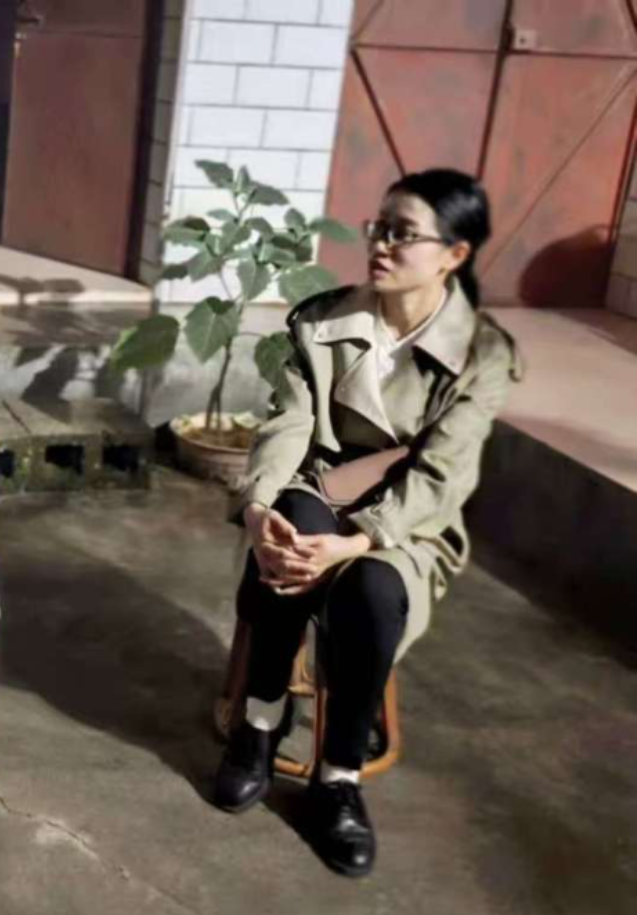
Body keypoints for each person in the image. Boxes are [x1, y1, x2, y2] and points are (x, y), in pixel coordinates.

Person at [212, 170, 521, 877]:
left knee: (372, 591)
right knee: (286, 535)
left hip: (408, 522)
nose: (381, 245)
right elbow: (289, 424)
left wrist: (355, 542)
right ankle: (259, 726)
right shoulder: (323, 321)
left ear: (454, 255)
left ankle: (338, 778)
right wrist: (258, 506)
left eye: (403, 234)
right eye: (379, 227)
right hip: (316, 486)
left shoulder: (482, 354)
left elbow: (442, 477)